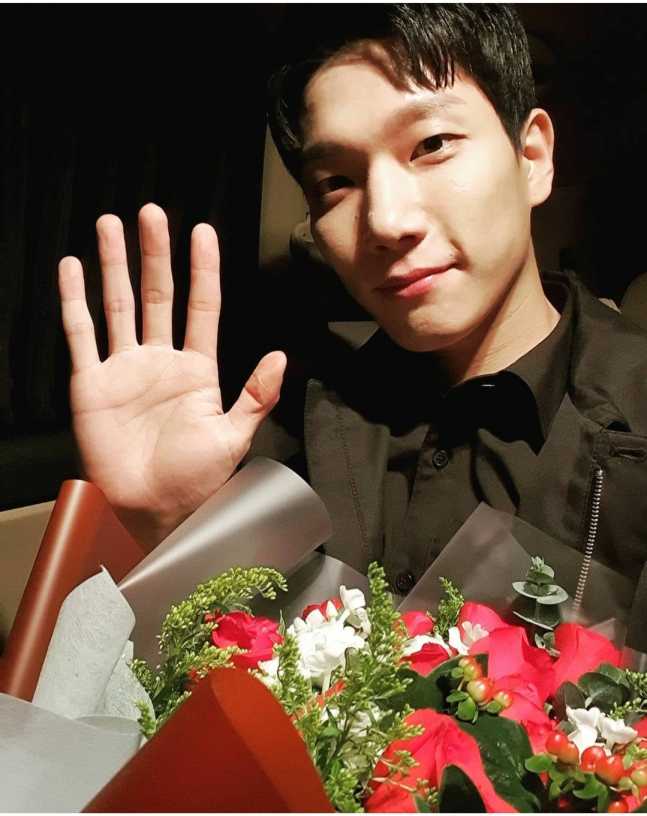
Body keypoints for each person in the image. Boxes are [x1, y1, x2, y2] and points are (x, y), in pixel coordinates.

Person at [57, 5, 647, 597]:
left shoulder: (632, 421)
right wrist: (159, 524)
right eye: (337, 182)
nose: (385, 221)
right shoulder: (286, 421)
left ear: (533, 158)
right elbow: (229, 641)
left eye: (432, 144)